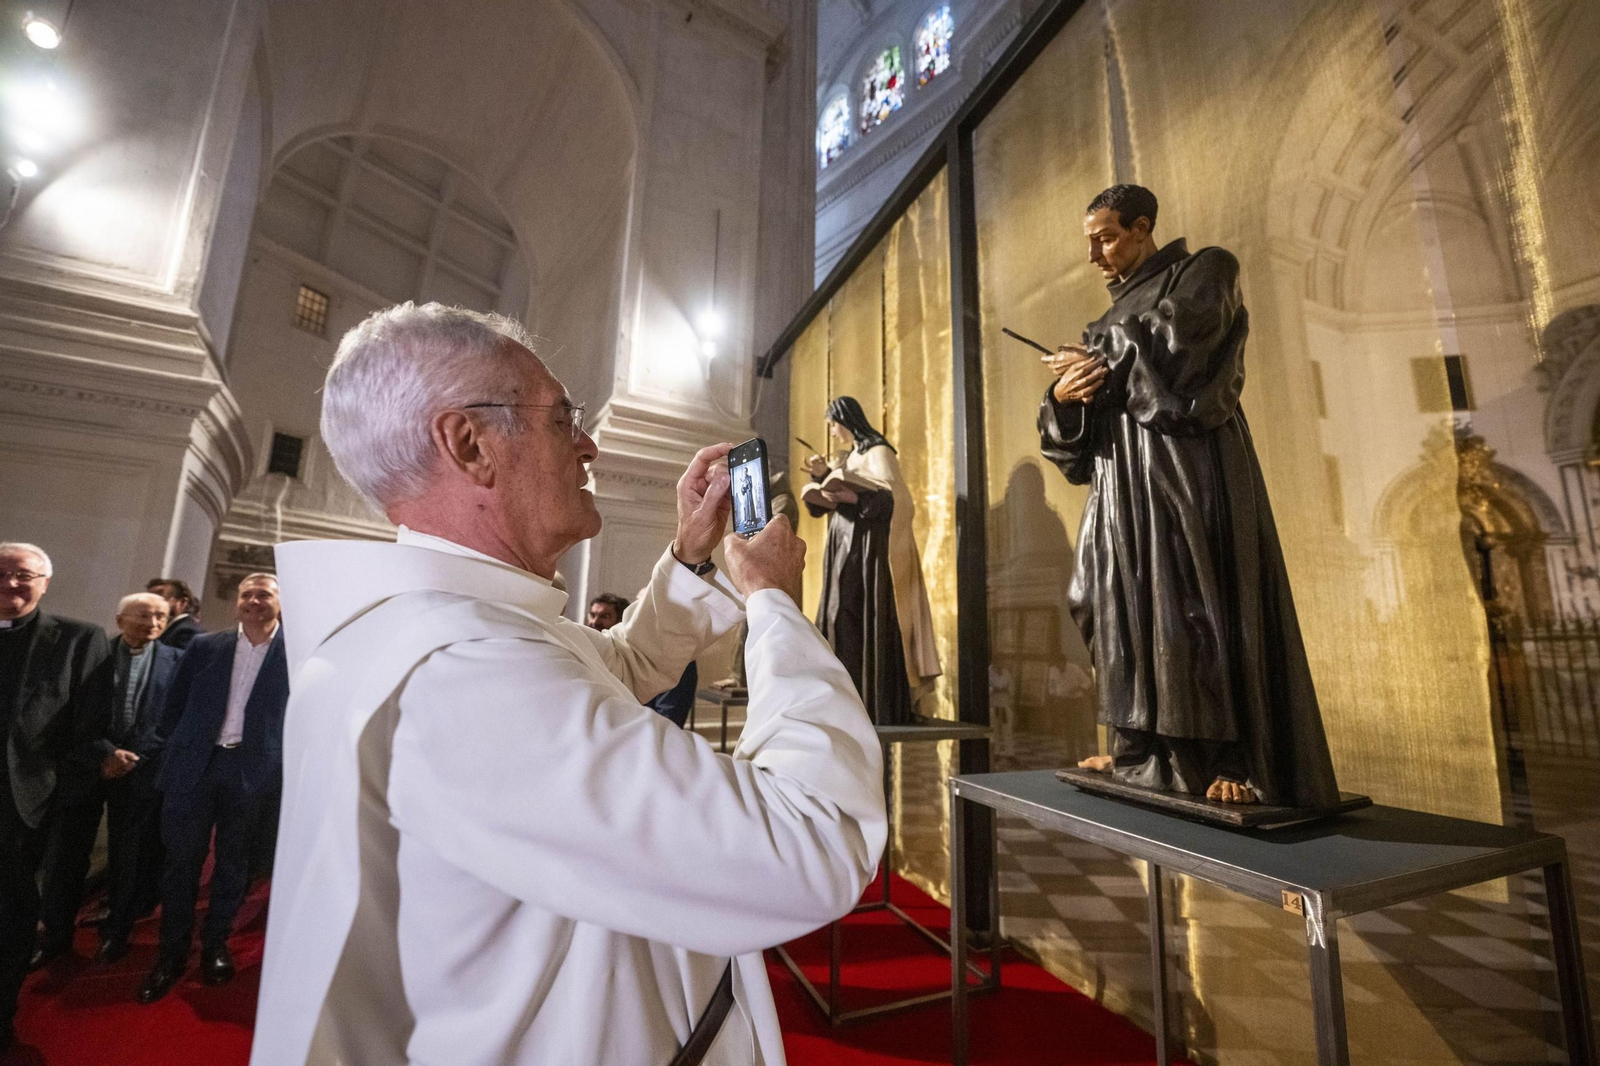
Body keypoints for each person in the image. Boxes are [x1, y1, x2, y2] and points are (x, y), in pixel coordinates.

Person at [252, 303, 885, 1066]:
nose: (587, 443)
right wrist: (774, 603)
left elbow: (619, 668)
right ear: (470, 444)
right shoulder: (459, 676)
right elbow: (815, 839)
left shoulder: (463, 626)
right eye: (561, 419)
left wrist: (691, 557)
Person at [1038, 183, 1340, 808]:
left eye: (1106, 238)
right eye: (1089, 242)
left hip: (1185, 468)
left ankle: (1228, 757)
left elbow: (1180, 344)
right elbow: (1073, 449)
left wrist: (1100, 358)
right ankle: (1140, 751)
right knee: (1107, 604)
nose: (1095, 254)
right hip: (1121, 485)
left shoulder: (1206, 269)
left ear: (1143, 227)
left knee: (1197, 607)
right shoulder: (1101, 323)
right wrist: (1065, 398)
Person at [137, 574, 288, 1003]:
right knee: (180, 864)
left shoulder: (298, 654)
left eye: (265, 595)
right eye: (247, 595)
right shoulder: (206, 646)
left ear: (281, 603)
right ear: (237, 601)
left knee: (233, 865)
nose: (254, 601)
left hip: (252, 770)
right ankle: (170, 952)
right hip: (194, 766)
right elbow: (173, 706)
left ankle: (215, 945)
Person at [0, 543, 110, 1050]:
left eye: (24, 574)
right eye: (2, 573)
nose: (11, 583)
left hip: (24, 803)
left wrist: (60, 798)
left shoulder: (79, 639)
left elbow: (89, 730)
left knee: (12, 913)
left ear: (45, 581)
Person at [37, 593, 182, 965]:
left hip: (141, 770)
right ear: (120, 620)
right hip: (87, 766)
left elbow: (174, 719)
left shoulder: (178, 662)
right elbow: (69, 709)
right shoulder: (90, 654)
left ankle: (115, 932)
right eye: (144, 616)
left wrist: (134, 756)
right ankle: (55, 935)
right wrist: (104, 753)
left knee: (128, 857)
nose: (153, 623)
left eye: (161, 616)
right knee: (68, 856)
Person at [803, 397, 942, 725]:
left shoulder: (879, 452)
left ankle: (871, 702)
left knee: (863, 620)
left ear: (846, 420)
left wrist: (856, 497)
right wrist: (823, 477)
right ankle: (841, 702)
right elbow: (828, 499)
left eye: (833, 425)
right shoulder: (848, 457)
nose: (833, 432)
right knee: (838, 618)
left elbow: (901, 502)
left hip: (870, 554)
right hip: (843, 546)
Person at [147, 579, 203, 650]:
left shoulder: (188, 631)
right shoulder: (163, 627)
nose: (152, 603)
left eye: (160, 597)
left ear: (182, 602)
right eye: (149, 598)